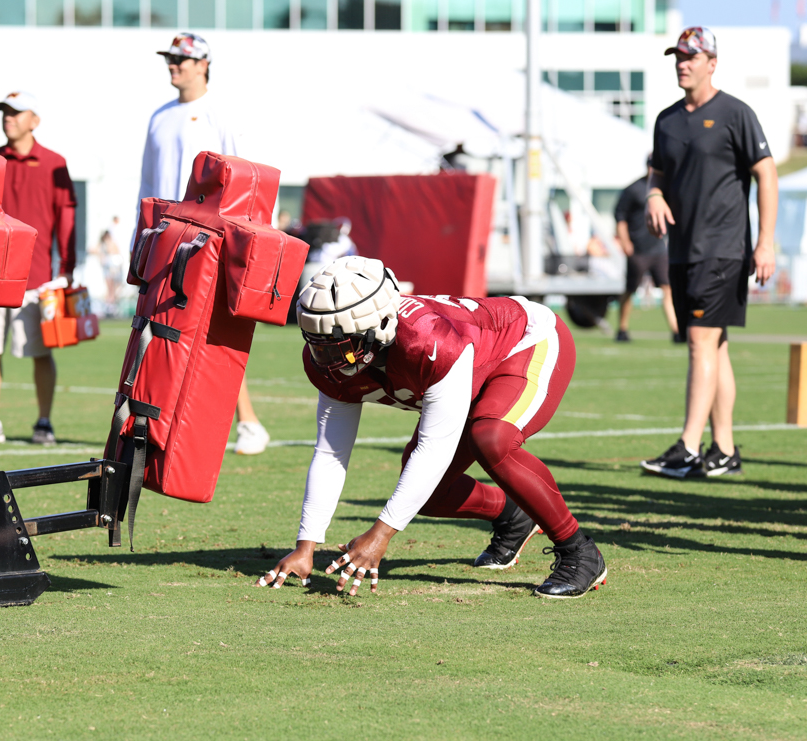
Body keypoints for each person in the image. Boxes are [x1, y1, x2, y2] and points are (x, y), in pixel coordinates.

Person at [255, 256, 607, 599]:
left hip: (523, 341)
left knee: (492, 439)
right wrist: (306, 546)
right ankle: (513, 516)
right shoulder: (329, 360)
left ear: (379, 327)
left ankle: (579, 552)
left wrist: (381, 534)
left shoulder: (426, 341)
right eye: (319, 345)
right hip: (467, 369)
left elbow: (434, 450)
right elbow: (331, 454)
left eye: (343, 347)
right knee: (429, 491)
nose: (328, 361)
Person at [641, 27, 777, 478]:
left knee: (700, 341)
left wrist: (765, 241)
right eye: (677, 56)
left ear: (711, 63)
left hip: (723, 250)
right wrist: (654, 195)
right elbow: (657, 174)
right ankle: (723, 450)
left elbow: (767, 174)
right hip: (682, 251)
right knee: (713, 346)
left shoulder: (736, 113)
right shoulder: (667, 120)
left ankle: (687, 445)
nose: (682, 63)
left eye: (691, 57)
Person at [133, 32, 269, 456]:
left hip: (208, 240)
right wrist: (141, 240)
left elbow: (246, 179)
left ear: (203, 64)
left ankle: (248, 423)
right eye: (170, 58)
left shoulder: (220, 113)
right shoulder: (159, 116)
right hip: (165, 237)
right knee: (156, 331)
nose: (174, 65)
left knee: (205, 333)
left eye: (182, 59)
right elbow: (148, 184)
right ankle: (158, 421)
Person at [0, 91, 77, 446]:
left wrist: (67, 269)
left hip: (38, 279)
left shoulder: (55, 163)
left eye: (15, 113)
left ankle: (44, 421)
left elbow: (67, 216)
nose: (8, 118)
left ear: (34, 120)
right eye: (4, 112)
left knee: (40, 352)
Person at [614, 156, 679, 342]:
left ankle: (676, 331)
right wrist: (625, 242)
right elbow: (620, 217)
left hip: (659, 249)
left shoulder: (665, 189)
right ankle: (622, 329)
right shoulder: (634, 189)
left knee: (668, 288)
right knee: (630, 289)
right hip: (638, 249)